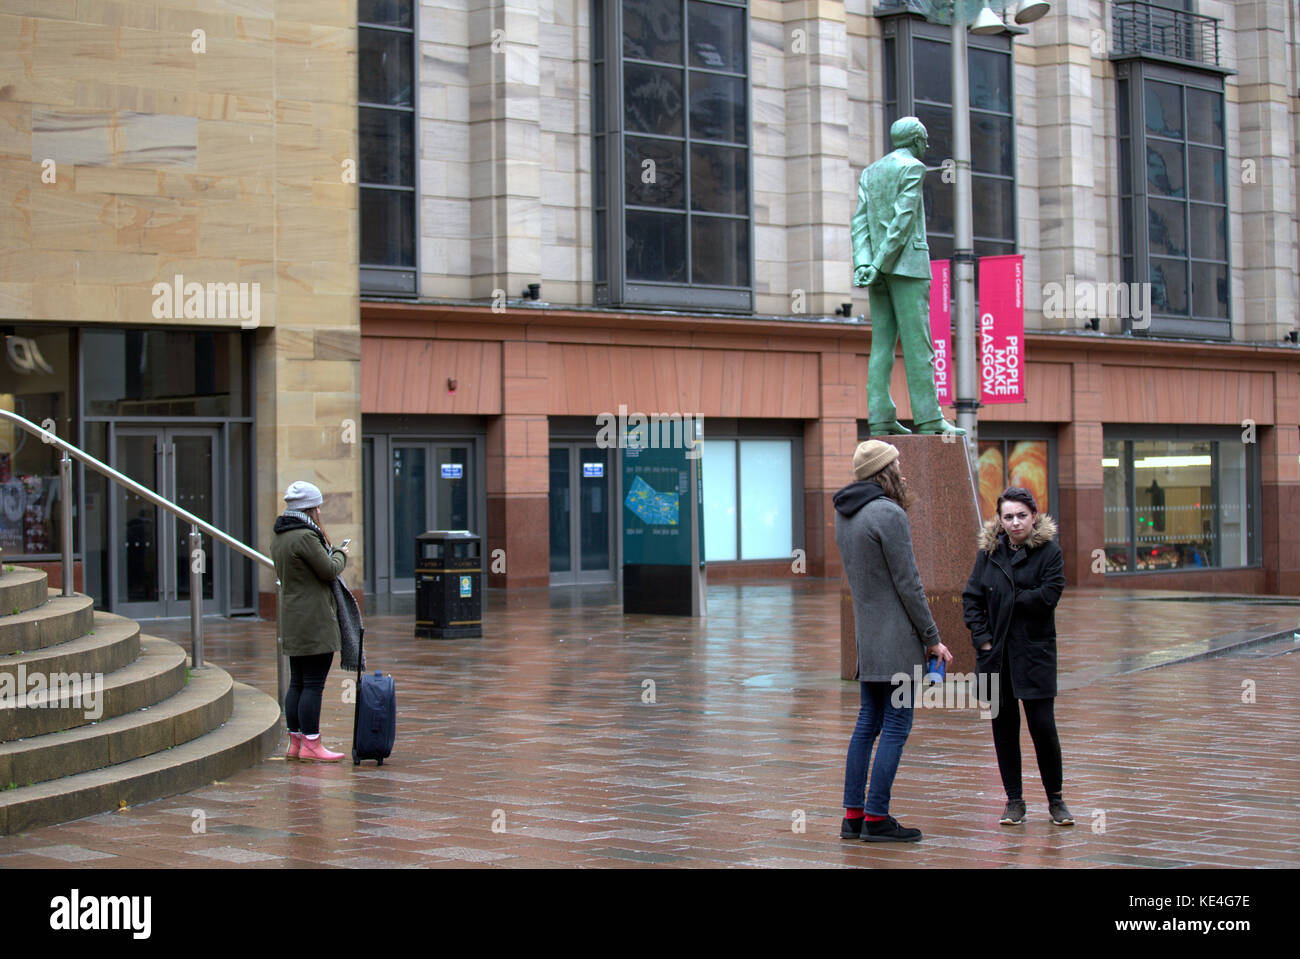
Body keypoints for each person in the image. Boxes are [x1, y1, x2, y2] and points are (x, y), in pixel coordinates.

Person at [835, 440, 952, 842]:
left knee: (868, 723)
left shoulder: (845, 513)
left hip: (868, 639)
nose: (903, 472)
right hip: (898, 641)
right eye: (897, 466)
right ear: (883, 473)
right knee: (897, 725)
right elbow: (909, 583)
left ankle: (853, 815)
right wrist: (933, 638)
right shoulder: (888, 512)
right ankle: (877, 818)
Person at [962, 487, 1072, 826]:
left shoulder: (1049, 552)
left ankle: (1056, 800)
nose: (1014, 522)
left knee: (1042, 726)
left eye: (1021, 515)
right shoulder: (989, 553)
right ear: (1000, 519)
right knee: (1003, 728)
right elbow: (972, 598)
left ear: (1034, 516)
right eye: (1007, 516)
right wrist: (982, 641)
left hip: (1034, 654)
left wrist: (1008, 599)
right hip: (996, 656)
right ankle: (1014, 801)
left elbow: (1048, 596)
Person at [851, 116, 963, 437]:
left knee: (881, 345)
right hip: (907, 266)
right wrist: (881, 263)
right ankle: (929, 419)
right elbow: (902, 221)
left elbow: (859, 223)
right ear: (915, 141)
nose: (926, 146)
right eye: (924, 140)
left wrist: (865, 263)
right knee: (919, 345)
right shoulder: (912, 167)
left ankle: (881, 417)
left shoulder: (870, 172)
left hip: (876, 268)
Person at [272, 480, 350, 762]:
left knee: (298, 682)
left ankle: (295, 742)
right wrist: (341, 552)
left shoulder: (280, 534)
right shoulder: (305, 536)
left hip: (292, 616)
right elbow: (329, 570)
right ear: (311, 507)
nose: (320, 510)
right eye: (318, 506)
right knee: (314, 683)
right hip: (314, 619)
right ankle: (313, 744)